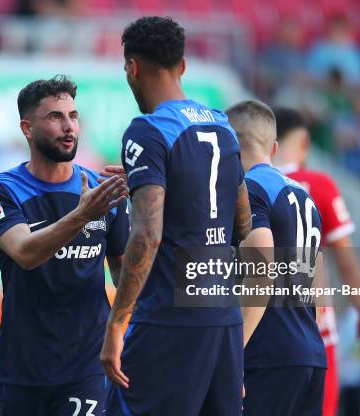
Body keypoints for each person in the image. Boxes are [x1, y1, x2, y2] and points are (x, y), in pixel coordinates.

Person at [101, 17, 252, 415]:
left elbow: (148, 234)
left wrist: (117, 323)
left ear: (132, 67)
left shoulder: (147, 131)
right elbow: (243, 223)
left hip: (168, 322)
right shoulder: (224, 127)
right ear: (182, 66)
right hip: (223, 319)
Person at [0, 75, 129, 415]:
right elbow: (25, 253)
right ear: (27, 128)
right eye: (55, 117)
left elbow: (124, 273)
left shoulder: (107, 190)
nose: (68, 127)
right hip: (22, 364)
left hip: (86, 362)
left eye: (73, 116)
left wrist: (152, 203)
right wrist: (82, 214)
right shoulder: (0, 190)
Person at [272, 106, 360, 416]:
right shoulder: (318, 185)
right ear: (304, 142)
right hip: (315, 331)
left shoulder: (247, 186)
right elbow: (345, 260)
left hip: (262, 331)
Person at [226, 100, 327, 416]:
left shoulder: (250, 190)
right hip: (310, 353)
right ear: (273, 147)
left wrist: (232, 354)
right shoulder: (304, 196)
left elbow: (260, 271)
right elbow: (320, 286)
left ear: (230, 144)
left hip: (268, 355)